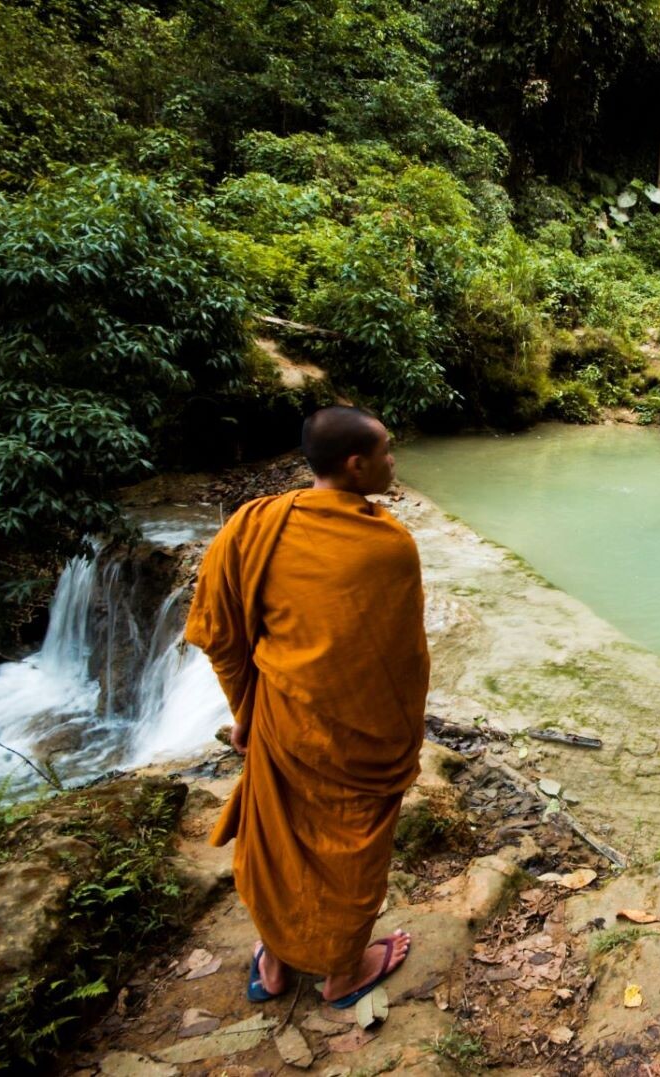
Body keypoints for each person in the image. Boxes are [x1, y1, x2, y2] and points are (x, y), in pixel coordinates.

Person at [186, 405, 431, 1007]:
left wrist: (247, 710)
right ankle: (343, 972)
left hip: (282, 718)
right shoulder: (387, 544)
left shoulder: (253, 523)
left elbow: (220, 633)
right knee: (351, 845)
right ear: (356, 465)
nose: (393, 461)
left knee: (280, 841)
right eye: (387, 452)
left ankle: (274, 958)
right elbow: (397, 664)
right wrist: (403, 736)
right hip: (357, 738)